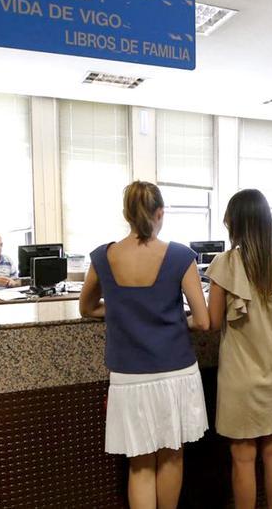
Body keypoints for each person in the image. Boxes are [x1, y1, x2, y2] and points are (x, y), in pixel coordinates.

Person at [78, 181, 210, 509]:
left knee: (139, 465)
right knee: (170, 458)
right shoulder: (180, 256)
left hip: (129, 376)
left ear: (126, 214)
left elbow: (87, 308)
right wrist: (176, 319)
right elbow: (203, 320)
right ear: (160, 213)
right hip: (175, 370)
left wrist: (123, 309)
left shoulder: (103, 256)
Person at [206, 189, 272, 509]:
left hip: (240, 376)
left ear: (237, 224)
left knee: (243, 457)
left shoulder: (225, 264)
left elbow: (213, 319)